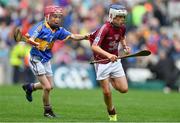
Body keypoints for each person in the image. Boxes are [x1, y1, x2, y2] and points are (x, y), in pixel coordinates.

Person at [15, 5, 89, 118]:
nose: (57, 19)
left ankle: (30, 87)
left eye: (59, 17)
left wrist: (85, 37)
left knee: (51, 86)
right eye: (54, 16)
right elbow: (30, 38)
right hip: (36, 59)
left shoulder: (59, 30)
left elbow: (72, 36)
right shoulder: (40, 27)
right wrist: (34, 42)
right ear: (47, 16)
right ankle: (47, 111)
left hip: (46, 59)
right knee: (47, 87)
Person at [89, 4, 131, 121]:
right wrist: (108, 55)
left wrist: (125, 46)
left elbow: (122, 37)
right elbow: (94, 46)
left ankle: (112, 78)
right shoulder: (105, 28)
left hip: (115, 61)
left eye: (123, 17)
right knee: (107, 93)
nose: (121, 20)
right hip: (102, 62)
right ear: (112, 16)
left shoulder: (122, 27)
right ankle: (111, 111)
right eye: (119, 17)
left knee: (124, 89)